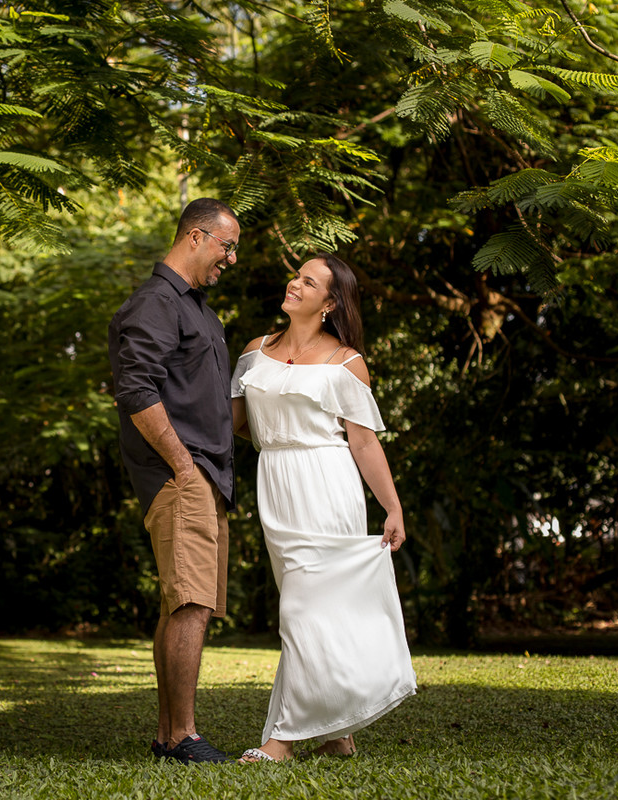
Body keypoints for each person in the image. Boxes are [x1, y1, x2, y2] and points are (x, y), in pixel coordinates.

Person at [231, 253, 417, 763]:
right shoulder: (255, 352)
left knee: (301, 611)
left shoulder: (346, 362)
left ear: (329, 302)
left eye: (308, 282)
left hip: (328, 483)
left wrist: (393, 507)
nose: (295, 283)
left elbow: (364, 443)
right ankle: (338, 733)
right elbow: (237, 426)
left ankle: (282, 741)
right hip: (275, 483)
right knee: (315, 611)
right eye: (296, 275)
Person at [107, 198, 240, 764]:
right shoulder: (157, 304)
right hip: (181, 475)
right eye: (226, 245)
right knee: (191, 604)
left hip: (206, 476)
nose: (231, 259)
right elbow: (136, 389)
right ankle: (185, 736)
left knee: (181, 605)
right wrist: (184, 466)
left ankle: (167, 737)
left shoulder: (199, 311)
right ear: (195, 237)